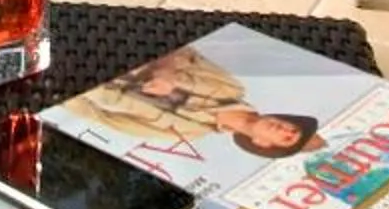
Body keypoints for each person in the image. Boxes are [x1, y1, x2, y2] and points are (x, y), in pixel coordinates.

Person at [69, 42, 324, 157]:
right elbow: (180, 48)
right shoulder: (231, 88)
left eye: (288, 138)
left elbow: (101, 117)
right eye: (293, 126)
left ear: (262, 144)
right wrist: (167, 72)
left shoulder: (186, 134)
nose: (286, 129)